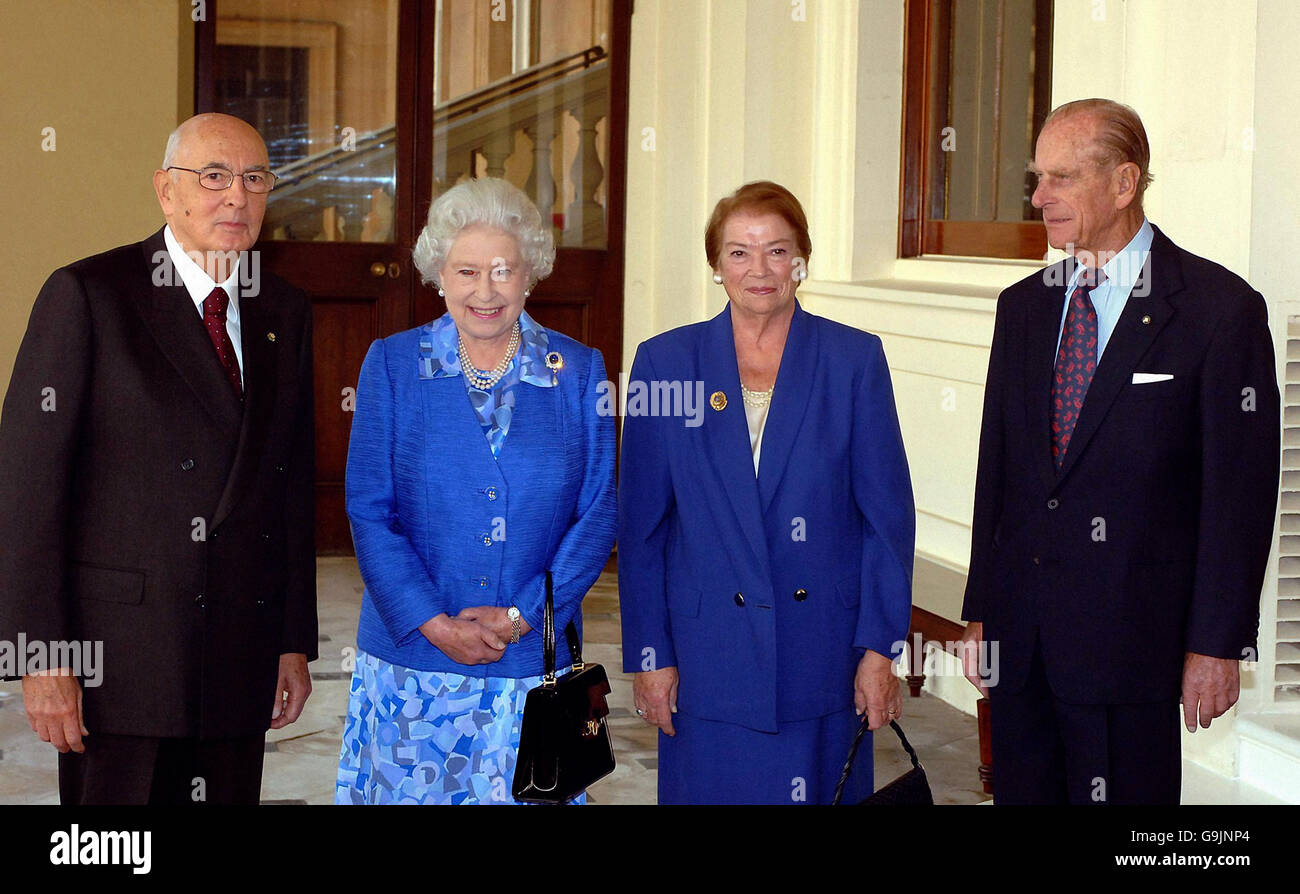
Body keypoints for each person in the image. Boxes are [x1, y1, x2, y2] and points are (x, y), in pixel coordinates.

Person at [959, 99, 1280, 804]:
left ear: (1125, 182)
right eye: (1037, 179)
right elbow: (1001, 471)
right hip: (1023, 640)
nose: (1039, 197)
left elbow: (1241, 496)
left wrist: (1218, 643)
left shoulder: (1218, 311)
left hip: (1136, 647)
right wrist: (983, 608)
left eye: (1062, 178)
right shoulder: (1024, 307)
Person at [0, 113, 318, 804]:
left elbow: (288, 493)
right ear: (165, 191)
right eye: (213, 177)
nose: (236, 196)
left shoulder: (284, 312)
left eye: (254, 178)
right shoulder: (89, 296)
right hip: (122, 665)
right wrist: (41, 656)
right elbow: (28, 492)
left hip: (239, 657)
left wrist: (291, 641)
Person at [618, 181, 915, 804]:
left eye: (777, 251)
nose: (759, 270)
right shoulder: (664, 363)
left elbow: (886, 523)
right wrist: (649, 656)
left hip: (821, 660)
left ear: (802, 260)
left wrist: (880, 651)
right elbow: (642, 531)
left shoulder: (853, 359)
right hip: (706, 663)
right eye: (739, 253)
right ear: (715, 264)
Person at [335, 177, 616, 805]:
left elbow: (597, 513)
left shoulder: (577, 372)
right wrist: (432, 623)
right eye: (466, 271)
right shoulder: (392, 364)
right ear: (438, 273)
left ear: (530, 274)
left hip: (534, 669)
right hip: (412, 662)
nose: (484, 292)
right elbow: (369, 510)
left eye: (502, 271)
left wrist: (524, 616)